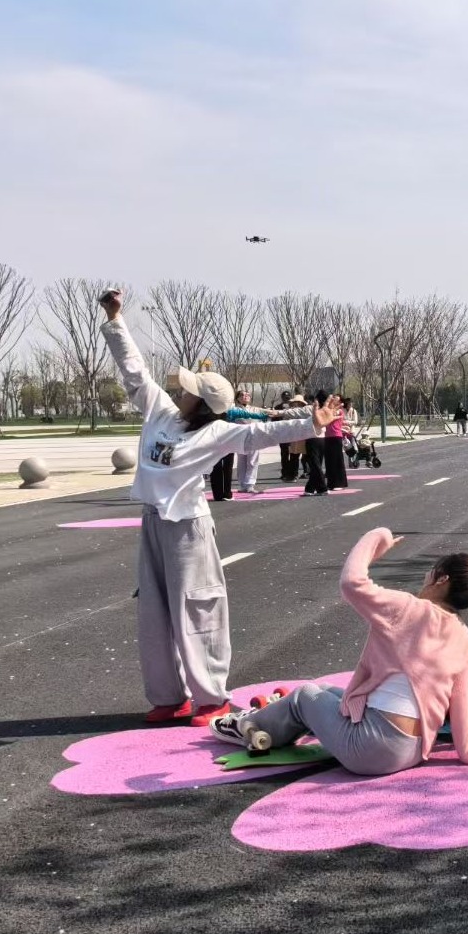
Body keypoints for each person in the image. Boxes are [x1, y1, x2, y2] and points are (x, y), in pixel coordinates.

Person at [97, 289, 337, 726]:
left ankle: (211, 698)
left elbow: (261, 435)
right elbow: (134, 371)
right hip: (153, 522)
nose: (180, 391)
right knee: (153, 612)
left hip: (188, 528)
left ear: (202, 404)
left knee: (197, 607)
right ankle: (169, 696)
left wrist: (310, 424)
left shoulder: (218, 433)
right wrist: (116, 320)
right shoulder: (160, 411)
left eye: (188, 391)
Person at [213, 529, 468, 776]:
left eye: (430, 573)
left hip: (370, 749)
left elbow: (352, 582)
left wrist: (378, 537)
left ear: (441, 580)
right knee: (326, 691)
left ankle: (246, 725)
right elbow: (461, 699)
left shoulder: (409, 608)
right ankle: (275, 720)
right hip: (414, 750)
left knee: (304, 696)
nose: (425, 578)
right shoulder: (464, 638)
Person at [323, 395, 349, 491]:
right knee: (329, 461)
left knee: (336, 460)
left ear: (340, 402)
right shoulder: (328, 409)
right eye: (333, 398)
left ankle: (339, 483)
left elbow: (332, 416)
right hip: (326, 437)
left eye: (336, 399)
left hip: (336, 436)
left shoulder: (339, 411)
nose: (334, 399)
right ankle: (331, 483)